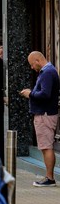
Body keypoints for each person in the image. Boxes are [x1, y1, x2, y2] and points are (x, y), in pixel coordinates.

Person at [19, 48, 59, 186]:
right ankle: (49, 177)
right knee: (45, 146)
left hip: (45, 114)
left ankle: (50, 178)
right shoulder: (48, 71)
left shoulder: (47, 72)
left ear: (38, 60)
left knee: (46, 146)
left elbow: (45, 94)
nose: (32, 67)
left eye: (32, 64)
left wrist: (30, 94)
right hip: (45, 113)